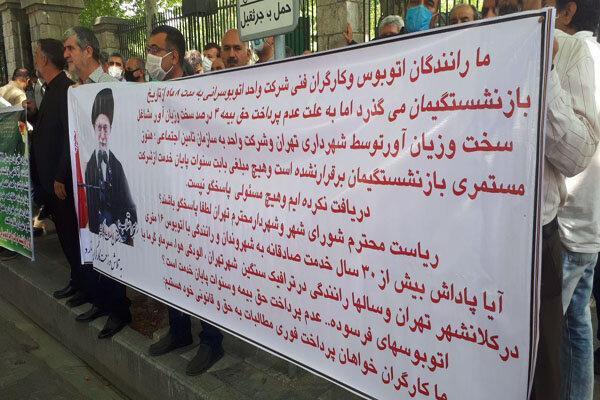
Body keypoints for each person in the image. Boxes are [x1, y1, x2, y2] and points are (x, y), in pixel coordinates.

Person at [498, 3, 600, 400]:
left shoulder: (571, 52)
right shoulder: (474, 49)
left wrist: (545, 69)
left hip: (540, 241)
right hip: (483, 237)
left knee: (544, 364)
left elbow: (577, 156)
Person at [146, 25, 225, 376]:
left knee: (203, 273)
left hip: (198, 200)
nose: (149, 56)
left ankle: (211, 341)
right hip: (166, 196)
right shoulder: (151, 95)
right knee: (172, 267)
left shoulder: (201, 92)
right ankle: (179, 331)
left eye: (154, 49)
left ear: (173, 56)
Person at [63, 26, 133, 340]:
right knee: (91, 243)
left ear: (88, 50)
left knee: (112, 244)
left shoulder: (111, 87)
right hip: (87, 180)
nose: (66, 55)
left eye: (71, 48)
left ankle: (119, 310)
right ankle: (101, 302)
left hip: (110, 183)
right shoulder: (75, 90)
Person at [550, 1, 600, 399]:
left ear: (568, 12)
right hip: (591, 219)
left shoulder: (573, 53)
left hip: (569, 219)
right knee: (577, 323)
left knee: (556, 331)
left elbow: (574, 148)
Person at [26, 39, 83, 307]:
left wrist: (61, 175)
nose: (36, 60)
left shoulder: (65, 89)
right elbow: (49, 128)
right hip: (50, 179)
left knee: (72, 236)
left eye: (37, 55)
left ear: (45, 59)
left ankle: (84, 285)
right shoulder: (51, 89)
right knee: (65, 235)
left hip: (61, 181)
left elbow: (70, 136)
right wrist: (34, 114)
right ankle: (77, 280)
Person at [85, 88, 137, 242]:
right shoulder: (88, 166)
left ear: (111, 129)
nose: (102, 135)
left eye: (105, 128)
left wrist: (117, 226)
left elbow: (130, 208)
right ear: (93, 128)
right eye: (98, 128)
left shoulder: (117, 166)